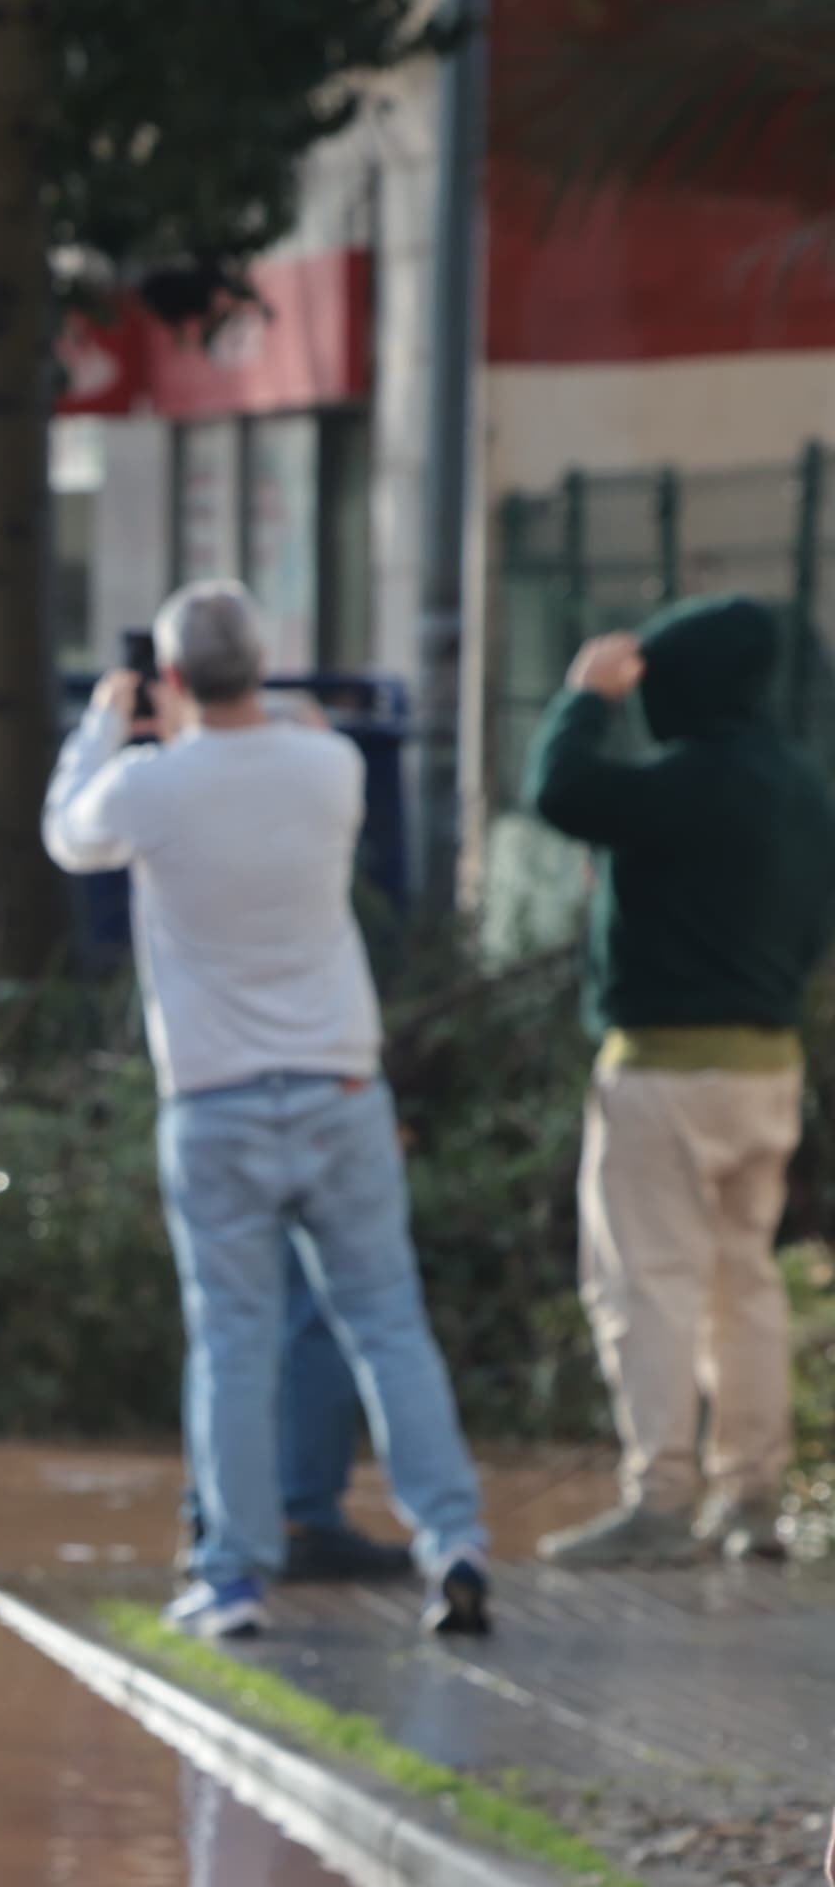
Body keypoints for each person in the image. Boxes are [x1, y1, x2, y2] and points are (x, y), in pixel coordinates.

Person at [46, 577, 493, 1641]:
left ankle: (234, 1578)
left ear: (167, 679)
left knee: (232, 1341)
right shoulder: (326, 767)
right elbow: (310, 733)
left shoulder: (149, 787)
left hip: (213, 1105)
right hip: (340, 1086)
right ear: (263, 661)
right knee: (386, 1322)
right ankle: (453, 1542)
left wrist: (103, 724)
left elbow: (67, 834)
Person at [528, 591, 835, 1565]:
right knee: (742, 1283)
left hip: (659, 1073)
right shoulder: (802, 789)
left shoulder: (672, 785)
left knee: (647, 1284)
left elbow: (559, 791)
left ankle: (656, 1498)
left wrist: (585, 697)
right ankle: (749, 1500)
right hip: (765, 1068)